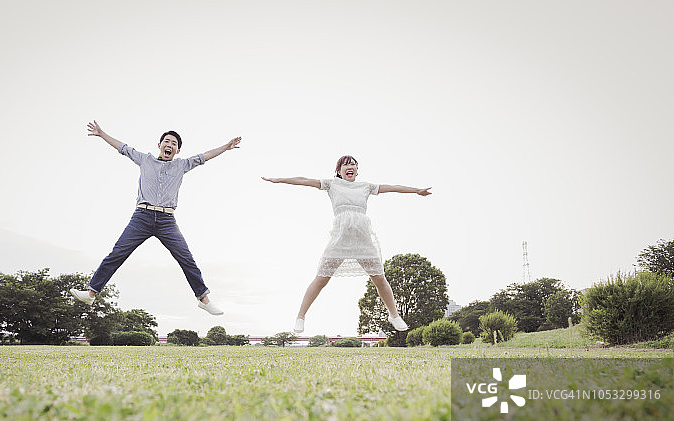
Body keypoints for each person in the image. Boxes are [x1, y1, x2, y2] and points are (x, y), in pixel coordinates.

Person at [70, 121, 241, 315]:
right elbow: (123, 148)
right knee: (118, 253)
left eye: (174, 144)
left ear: (177, 150)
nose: (170, 145)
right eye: (167, 141)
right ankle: (91, 293)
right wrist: (102, 134)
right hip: (142, 217)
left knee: (186, 258)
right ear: (159, 145)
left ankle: (204, 299)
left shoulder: (182, 164)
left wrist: (226, 147)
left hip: (167, 221)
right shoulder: (145, 160)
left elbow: (205, 156)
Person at [262, 155, 431, 333]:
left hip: (362, 239)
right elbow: (304, 180)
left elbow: (393, 187)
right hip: (340, 239)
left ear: (357, 170)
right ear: (339, 171)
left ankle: (394, 315)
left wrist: (417, 190)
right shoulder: (331, 184)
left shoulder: (366, 187)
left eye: (353, 165)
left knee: (379, 279)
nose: (350, 167)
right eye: (346, 164)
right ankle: (300, 317)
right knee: (321, 279)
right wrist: (278, 179)